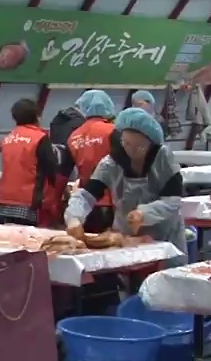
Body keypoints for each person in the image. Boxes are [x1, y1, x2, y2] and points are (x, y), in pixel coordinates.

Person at [65, 108, 187, 266]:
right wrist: (74, 218)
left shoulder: (163, 158)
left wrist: (144, 214)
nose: (132, 151)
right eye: (127, 144)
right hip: (126, 239)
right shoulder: (111, 164)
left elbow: (173, 200)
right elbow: (87, 195)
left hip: (165, 238)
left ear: (150, 144)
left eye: (139, 147)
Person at [0, 99, 60, 226]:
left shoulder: (6, 139)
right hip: (28, 201)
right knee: (28, 236)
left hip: (4, 199)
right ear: (37, 116)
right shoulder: (40, 138)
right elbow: (51, 168)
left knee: (7, 236)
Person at [65, 90, 116, 232]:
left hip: (84, 204)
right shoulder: (113, 131)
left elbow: (63, 173)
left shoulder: (73, 136)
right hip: (110, 202)